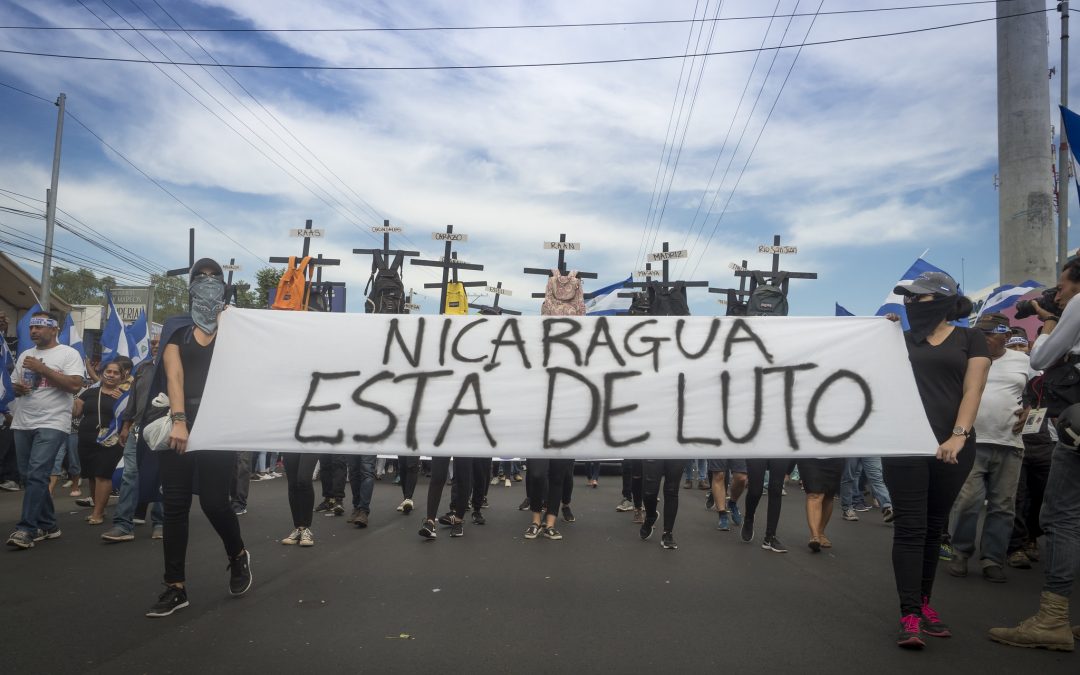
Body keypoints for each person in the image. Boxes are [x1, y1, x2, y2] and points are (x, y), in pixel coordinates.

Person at [883, 271, 989, 649]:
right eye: (908, 299)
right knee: (911, 529)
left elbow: (972, 389)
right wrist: (880, 332)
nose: (911, 304)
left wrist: (957, 436)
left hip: (952, 447)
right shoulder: (896, 338)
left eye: (920, 298)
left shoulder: (971, 338)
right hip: (903, 446)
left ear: (944, 300)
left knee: (932, 528)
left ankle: (925, 603)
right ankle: (909, 612)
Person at [144, 259, 250, 618]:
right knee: (174, 505)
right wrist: (179, 420)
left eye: (214, 277)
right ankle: (175, 587)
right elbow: (174, 376)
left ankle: (237, 555)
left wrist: (234, 324)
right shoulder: (178, 327)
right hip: (181, 419)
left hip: (219, 422)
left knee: (215, 504)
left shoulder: (235, 327)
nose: (207, 282)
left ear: (223, 284)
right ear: (190, 285)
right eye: (200, 277)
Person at [990, 260, 1080, 650]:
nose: (1057, 294)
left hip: (1073, 431)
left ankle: (1052, 619)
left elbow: (1040, 360)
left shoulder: (1077, 304)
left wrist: (1047, 325)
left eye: (1061, 287)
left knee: (1059, 516)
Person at [948, 313, 1030, 583]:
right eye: (979, 333)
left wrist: (1031, 409)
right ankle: (960, 553)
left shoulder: (1024, 360)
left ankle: (992, 558)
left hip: (1009, 443)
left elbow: (1040, 392)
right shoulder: (965, 358)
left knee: (1003, 506)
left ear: (1005, 336)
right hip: (972, 441)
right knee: (967, 503)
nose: (982, 338)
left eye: (989, 334)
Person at [5, 311, 83, 549]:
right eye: (31, 327)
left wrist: (43, 369)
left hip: (53, 422)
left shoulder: (69, 353)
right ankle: (49, 524)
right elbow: (16, 385)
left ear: (53, 329)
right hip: (23, 420)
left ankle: (26, 529)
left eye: (39, 327)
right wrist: (16, 388)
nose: (33, 332)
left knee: (38, 473)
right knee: (28, 476)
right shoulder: (26, 355)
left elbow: (75, 385)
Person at [101, 335, 163, 542]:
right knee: (129, 476)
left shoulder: (176, 366)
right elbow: (133, 400)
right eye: (152, 343)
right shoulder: (144, 368)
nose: (154, 346)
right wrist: (126, 425)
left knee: (161, 477)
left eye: (159, 343)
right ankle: (123, 525)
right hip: (137, 429)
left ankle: (161, 523)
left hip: (163, 431)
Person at [73, 361, 125, 525]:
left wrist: (124, 399)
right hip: (86, 439)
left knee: (103, 474)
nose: (111, 375)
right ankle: (98, 508)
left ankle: (98, 513)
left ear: (122, 376)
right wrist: (70, 396)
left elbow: (130, 417)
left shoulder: (125, 395)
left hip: (110, 441)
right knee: (92, 476)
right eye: (108, 371)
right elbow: (75, 413)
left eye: (115, 372)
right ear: (102, 374)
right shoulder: (89, 393)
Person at [742, 458, 792, 553]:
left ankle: (770, 537)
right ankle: (749, 518)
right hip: (757, 447)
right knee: (755, 491)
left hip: (779, 448)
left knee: (776, 490)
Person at [798, 458, 844, 552]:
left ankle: (820, 533)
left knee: (828, 496)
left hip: (835, 457)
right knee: (814, 495)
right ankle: (815, 536)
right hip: (810, 457)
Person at [640, 458, 684, 550]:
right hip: (653, 448)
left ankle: (668, 533)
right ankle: (650, 516)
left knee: (672, 490)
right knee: (649, 492)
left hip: (676, 448)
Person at [280, 452, 317, 546]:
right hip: (291, 441)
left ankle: (305, 528)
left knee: (303, 480)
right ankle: (299, 528)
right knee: (292, 484)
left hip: (311, 441)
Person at [707, 459, 746, 531]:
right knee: (719, 475)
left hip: (740, 447)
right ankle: (722, 514)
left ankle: (732, 503)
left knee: (741, 477)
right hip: (718, 448)